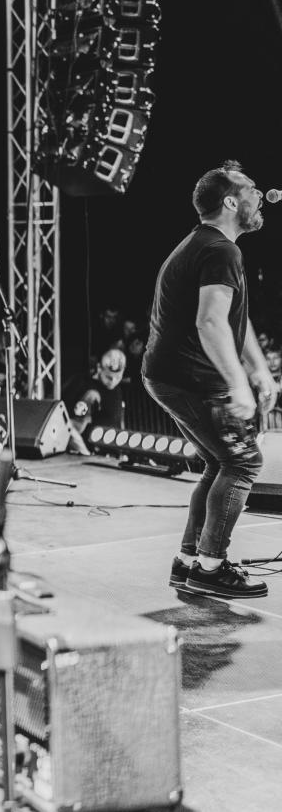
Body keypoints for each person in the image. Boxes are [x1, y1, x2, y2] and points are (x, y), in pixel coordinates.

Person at [144, 160, 274, 599]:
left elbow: (233, 316)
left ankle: (189, 560)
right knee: (243, 463)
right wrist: (237, 384)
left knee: (220, 463)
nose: (261, 194)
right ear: (231, 202)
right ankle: (211, 568)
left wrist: (258, 368)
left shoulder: (207, 245)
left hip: (169, 375)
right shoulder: (221, 251)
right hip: (191, 377)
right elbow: (211, 322)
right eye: (251, 188)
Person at [65, 348, 127, 454]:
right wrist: (85, 452)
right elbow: (73, 427)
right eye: (109, 377)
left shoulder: (117, 390)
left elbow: (118, 420)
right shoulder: (89, 391)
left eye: (118, 377)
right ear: (99, 368)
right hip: (93, 454)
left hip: (113, 453)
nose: (113, 381)